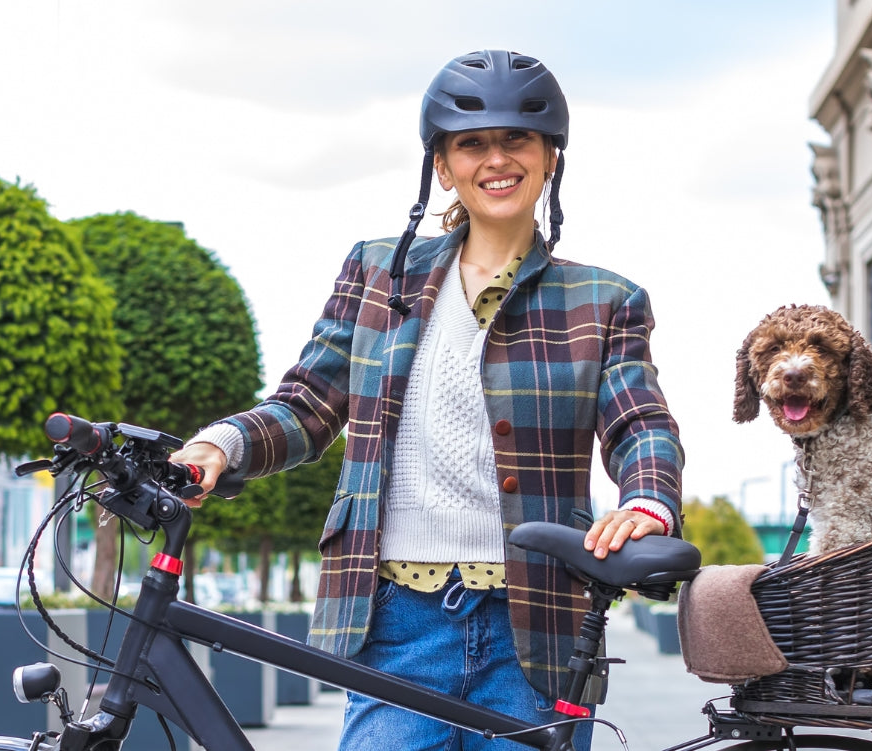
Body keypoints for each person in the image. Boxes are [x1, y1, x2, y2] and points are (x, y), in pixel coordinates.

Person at [170, 49, 683, 751]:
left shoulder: (604, 300)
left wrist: (647, 500)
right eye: (471, 143)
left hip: (534, 627)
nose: (496, 159)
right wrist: (219, 444)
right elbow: (309, 404)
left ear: (549, 157)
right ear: (442, 165)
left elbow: (640, 423)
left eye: (517, 139)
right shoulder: (377, 270)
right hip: (396, 624)